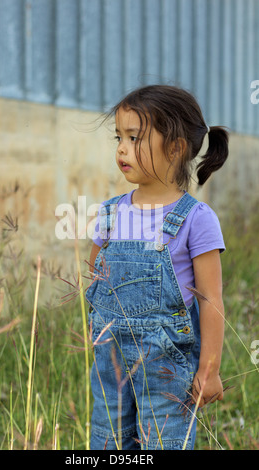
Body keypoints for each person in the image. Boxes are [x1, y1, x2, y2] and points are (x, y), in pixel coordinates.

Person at [85, 85, 228, 450]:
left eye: (134, 137)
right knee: (108, 441)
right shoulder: (109, 213)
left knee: (163, 442)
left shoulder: (196, 219)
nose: (121, 148)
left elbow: (211, 299)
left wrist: (208, 369)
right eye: (119, 137)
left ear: (176, 147)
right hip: (110, 361)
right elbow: (95, 272)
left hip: (166, 363)